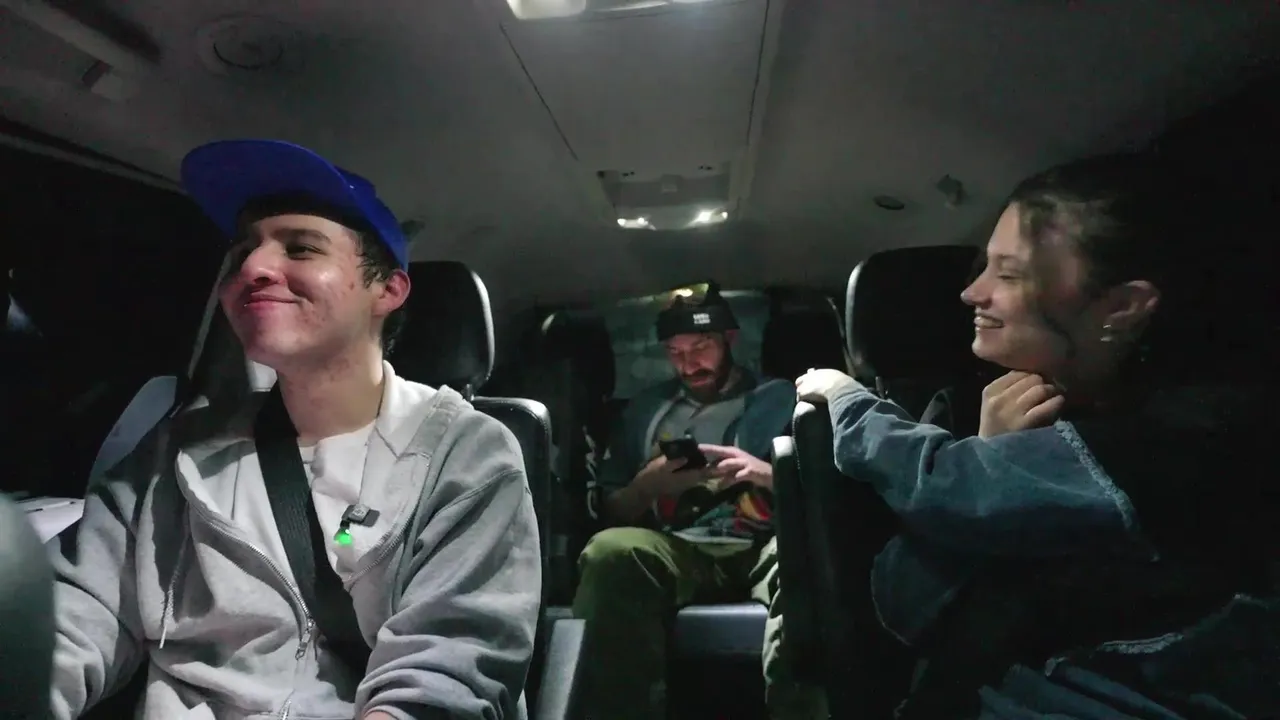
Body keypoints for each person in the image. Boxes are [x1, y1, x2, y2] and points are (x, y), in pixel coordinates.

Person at [48, 139, 541, 720]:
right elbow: (76, 616)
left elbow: (446, 673)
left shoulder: (467, 455)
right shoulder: (178, 449)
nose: (252, 269)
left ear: (387, 289)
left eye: (302, 248)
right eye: (241, 252)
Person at [796, 153, 1278, 718]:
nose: (971, 292)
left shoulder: (1192, 436)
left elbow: (945, 488)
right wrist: (988, 454)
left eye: (1009, 274)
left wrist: (848, 399)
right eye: (984, 265)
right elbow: (906, 601)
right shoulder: (988, 404)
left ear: (1121, 306)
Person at [573, 282, 824, 720]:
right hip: (678, 548)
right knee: (609, 552)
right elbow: (609, 511)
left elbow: (829, 501)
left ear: (730, 339)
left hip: (766, 542)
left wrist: (766, 473)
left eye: (701, 347)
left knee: (805, 561)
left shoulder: (788, 400)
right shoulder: (644, 411)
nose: (689, 364)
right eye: (675, 352)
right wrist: (648, 486)